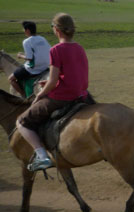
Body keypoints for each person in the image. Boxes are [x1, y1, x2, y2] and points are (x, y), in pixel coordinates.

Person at [16, 13, 90, 171]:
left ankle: (42, 156)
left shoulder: (56, 50)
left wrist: (40, 94)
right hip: (81, 94)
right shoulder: (79, 47)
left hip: (62, 97)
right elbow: (73, 74)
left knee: (22, 122)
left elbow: (53, 80)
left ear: (57, 30)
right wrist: (51, 82)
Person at [8, 21, 51, 98]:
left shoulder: (26, 41)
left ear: (27, 30)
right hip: (45, 67)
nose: (24, 31)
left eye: (24, 30)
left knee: (11, 79)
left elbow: (29, 58)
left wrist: (20, 55)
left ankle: (23, 95)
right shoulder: (42, 38)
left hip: (33, 69)